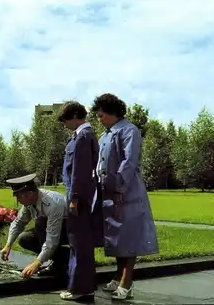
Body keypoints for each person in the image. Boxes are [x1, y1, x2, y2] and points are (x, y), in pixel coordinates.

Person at [91, 93, 159, 300]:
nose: (99, 119)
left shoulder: (129, 131)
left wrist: (120, 188)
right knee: (117, 238)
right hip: (109, 192)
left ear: (112, 112)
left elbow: (129, 162)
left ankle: (126, 282)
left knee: (129, 238)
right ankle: (117, 276)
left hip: (126, 192)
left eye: (101, 115)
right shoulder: (105, 135)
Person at [57, 101, 101, 301]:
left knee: (79, 243)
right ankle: (84, 286)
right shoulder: (82, 136)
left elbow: (79, 172)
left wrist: (73, 199)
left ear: (75, 115)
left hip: (80, 196)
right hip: (80, 195)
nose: (65, 124)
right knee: (80, 243)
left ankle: (80, 289)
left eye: (66, 120)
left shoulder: (83, 137)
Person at [0, 173, 69, 278]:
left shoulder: (53, 204)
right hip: (51, 231)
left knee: (40, 223)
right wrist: (8, 244)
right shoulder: (29, 203)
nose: (18, 200)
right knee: (24, 238)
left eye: (18, 196)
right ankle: (64, 256)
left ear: (28, 194)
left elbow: (52, 239)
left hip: (71, 230)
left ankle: (64, 259)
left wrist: (37, 263)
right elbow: (19, 222)